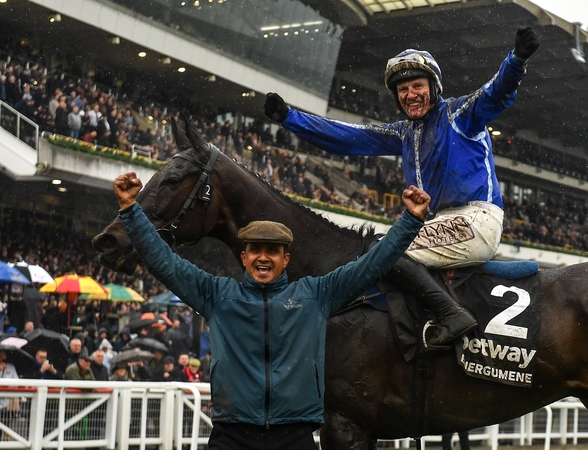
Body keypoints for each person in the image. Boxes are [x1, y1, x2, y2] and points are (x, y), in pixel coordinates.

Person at [263, 26, 540, 347]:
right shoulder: (403, 133)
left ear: (434, 87)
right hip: (439, 222)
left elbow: (495, 92)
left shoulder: (459, 115)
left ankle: (451, 314)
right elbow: (347, 136)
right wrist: (289, 117)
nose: (410, 95)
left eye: (417, 86)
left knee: (384, 252)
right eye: (403, 89)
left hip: (477, 220)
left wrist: (517, 60)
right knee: (379, 248)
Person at [112, 170, 430, 450]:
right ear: (244, 257)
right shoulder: (216, 295)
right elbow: (164, 262)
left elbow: (371, 266)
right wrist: (130, 210)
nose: (264, 258)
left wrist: (410, 221)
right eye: (256, 250)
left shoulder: (316, 295)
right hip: (231, 435)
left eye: (272, 251)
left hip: (295, 436)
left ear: (285, 259)